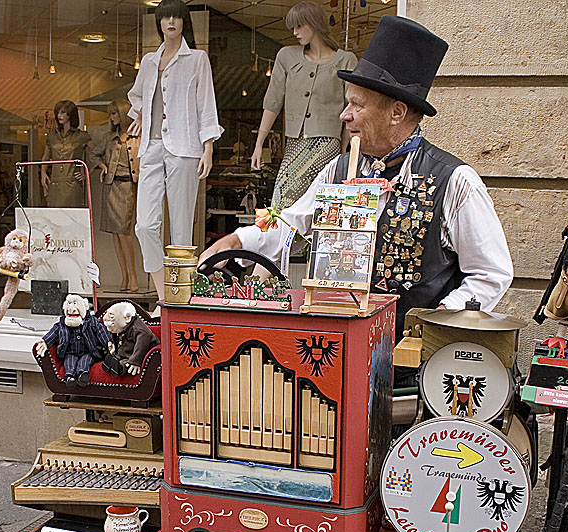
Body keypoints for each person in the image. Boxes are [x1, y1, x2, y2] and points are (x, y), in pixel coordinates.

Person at [204, 16, 513, 339]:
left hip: (408, 367)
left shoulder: (455, 181)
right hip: (334, 346)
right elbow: (291, 224)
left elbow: (491, 273)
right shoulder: (337, 171)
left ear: (397, 113)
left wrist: (437, 322)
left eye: (356, 105)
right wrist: (237, 241)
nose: (344, 114)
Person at [128, 0, 222, 307]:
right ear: (158, 22)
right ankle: (163, 295)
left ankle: (182, 298)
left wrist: (208, 147)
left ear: (184, 22)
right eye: (165, 17)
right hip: (152, 147)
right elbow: (139, 96)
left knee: (182, 230)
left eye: (176, 17)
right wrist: (140, 115)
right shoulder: (150, 61)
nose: (171, 22)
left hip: (185, 148)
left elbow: (205, 104)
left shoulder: (196, 59)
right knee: (145, 226)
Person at [251, 2, 357, 209]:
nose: (295, 33)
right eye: (292, 27)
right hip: (294, 144)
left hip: (328, 145)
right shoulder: (286, 56)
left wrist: (345, 153)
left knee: (320, 206)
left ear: (314, 24)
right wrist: (258, 143)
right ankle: (283, 241)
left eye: (299, 26)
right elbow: (272, 102)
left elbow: (350, 111)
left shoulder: (345, 60)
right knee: (282, 202)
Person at [92, 99, 141, 292]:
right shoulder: (108, 137)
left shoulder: (137, 136)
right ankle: (125, 277)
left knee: (124, 231)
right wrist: (103, 166)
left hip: (128, 186)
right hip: (111, 186)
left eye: (114, 114)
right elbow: (94, 154)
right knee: (115, 233)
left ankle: (134, 276)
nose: (111, 118)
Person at [41, 100, 91, 207]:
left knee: (72, 217)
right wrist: (43, 173)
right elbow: (45, 156)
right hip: (54, 182)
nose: (60, 115)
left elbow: (96, 154)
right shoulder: (51, 136)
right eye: (58, 112)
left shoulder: (81, 136)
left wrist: (87, 173)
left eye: (63, 112)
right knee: (54, 217)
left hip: (72, 184)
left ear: (70, 114)